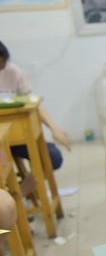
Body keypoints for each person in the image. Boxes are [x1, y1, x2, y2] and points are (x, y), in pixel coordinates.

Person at [0, 42, 70, 170]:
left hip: (18, 137)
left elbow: (32, 103)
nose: (2, 67)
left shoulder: (13, 72)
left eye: (3, 63)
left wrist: (54, 128)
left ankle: (27, 183)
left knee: (53, 158)